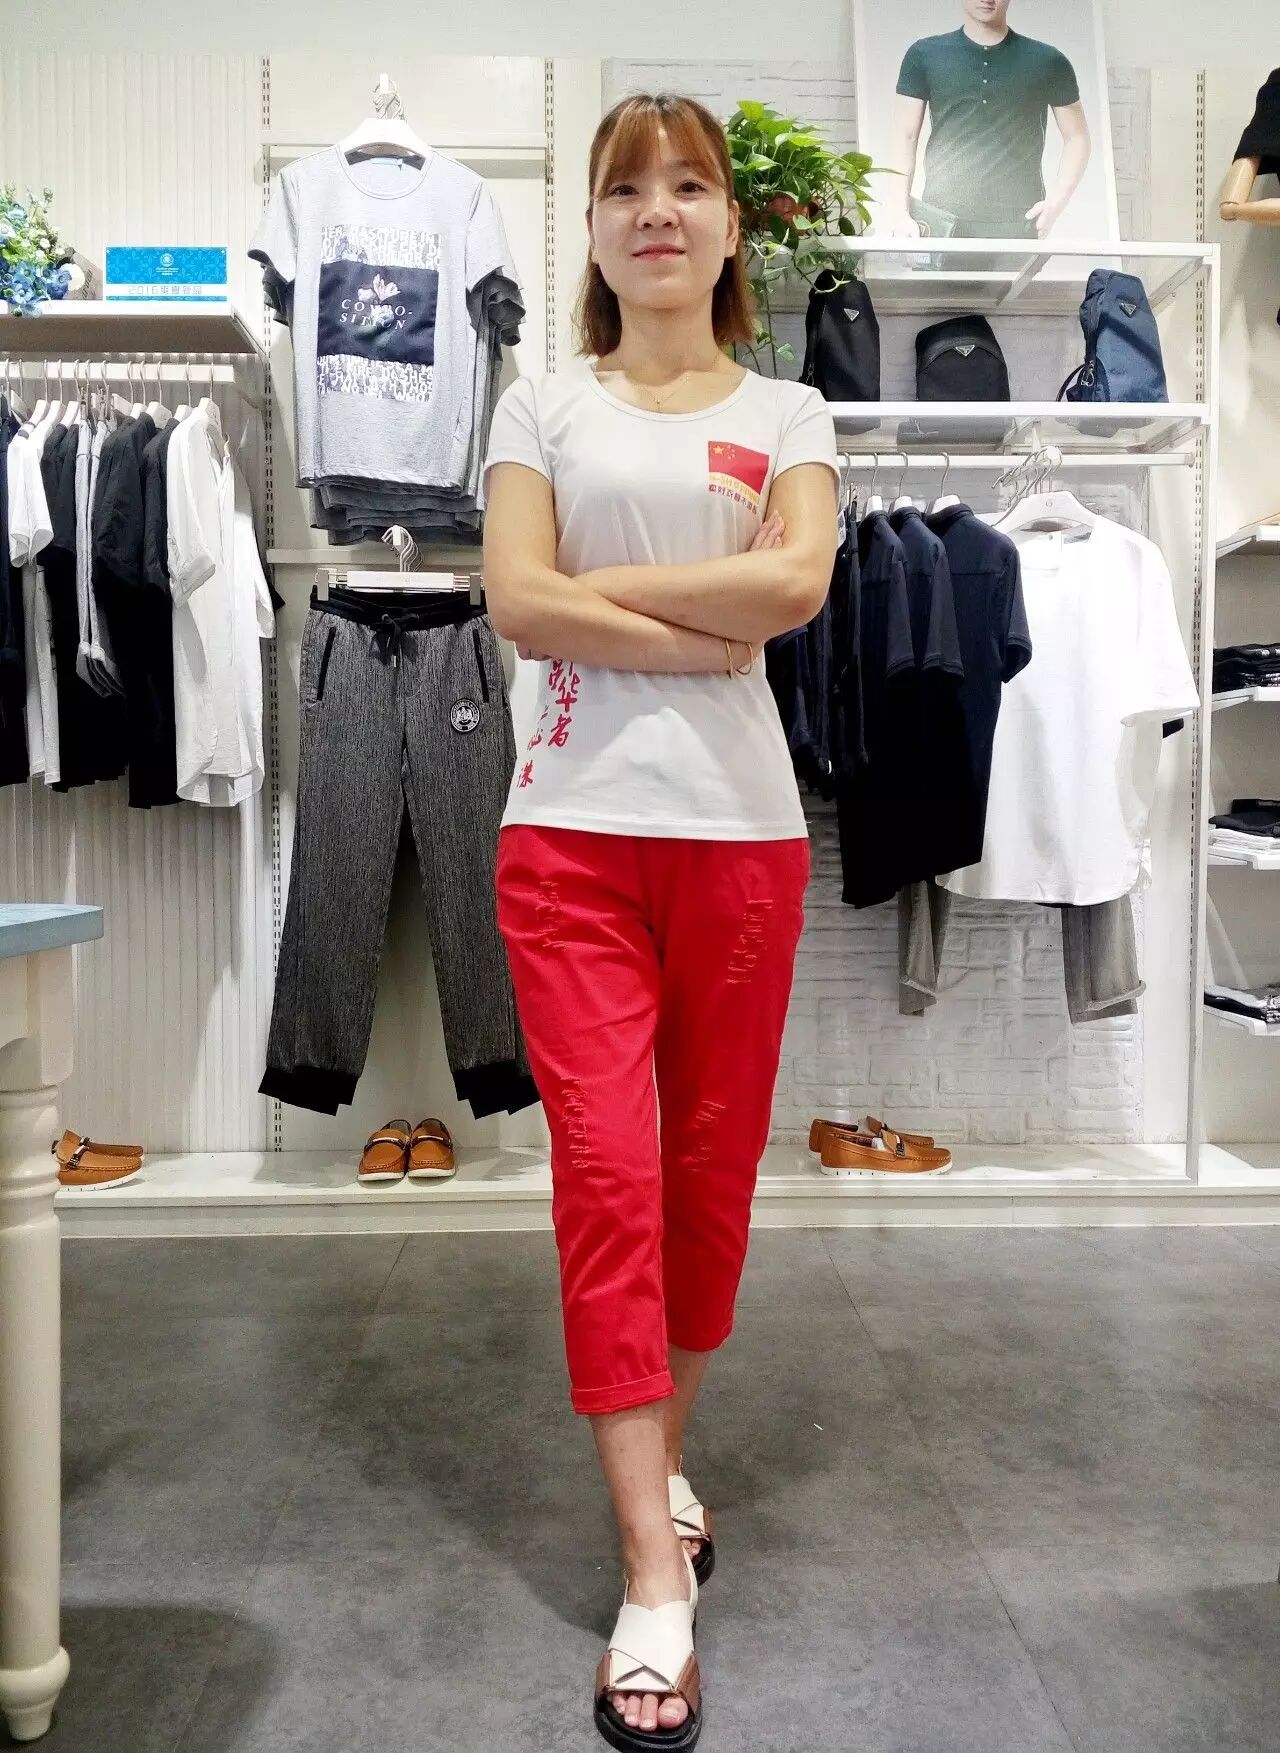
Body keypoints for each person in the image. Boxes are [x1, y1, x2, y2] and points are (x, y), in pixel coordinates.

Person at [482, 91, 838, 1750]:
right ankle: (650, 1570)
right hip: (567, 841)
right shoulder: (542, 400)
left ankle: (663, 1462)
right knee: (610, 1181)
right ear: (594, 229)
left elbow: (796, 586)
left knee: (704, 1183)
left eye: (690, 184)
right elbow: (514, 597)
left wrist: (602, 600)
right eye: (627, 187)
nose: (660, 211)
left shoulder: (789, 404)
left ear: (730, 225)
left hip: (742, 847)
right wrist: (701, 619)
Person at [886, 0, 1091, 242]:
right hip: (942, 220)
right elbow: (904, 136)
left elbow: (1077, 137)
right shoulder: (924, 55)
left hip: (1019, 221)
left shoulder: (1048, 60)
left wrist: (1056, 204)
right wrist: (899, 213)